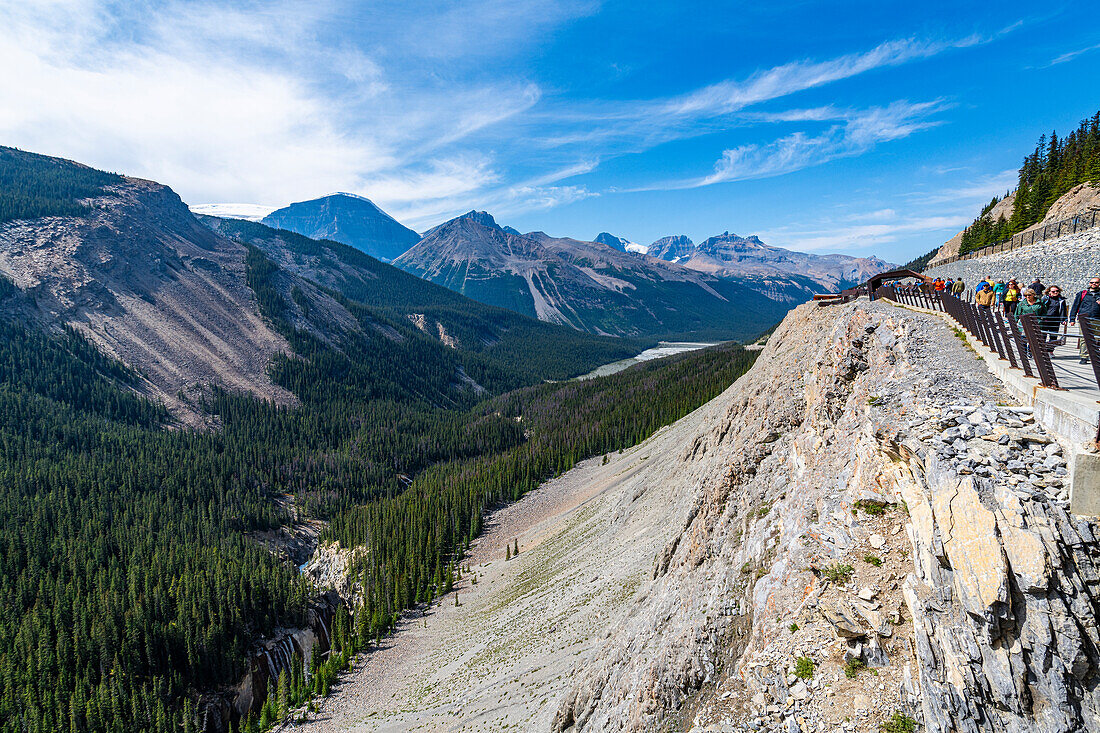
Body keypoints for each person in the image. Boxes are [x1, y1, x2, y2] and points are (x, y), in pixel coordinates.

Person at [1069, 277, 1100, 364]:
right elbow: (1075, 306)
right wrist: (1072, 318)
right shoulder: (1082, 294)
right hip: (1084, 319)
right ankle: (1084, 356)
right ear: (1089, 283)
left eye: (1096, 282)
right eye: (1092, 282)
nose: (1094, 284)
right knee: (1084, 338)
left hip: (1097, 319)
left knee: (1096, 339)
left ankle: (1094, 356)